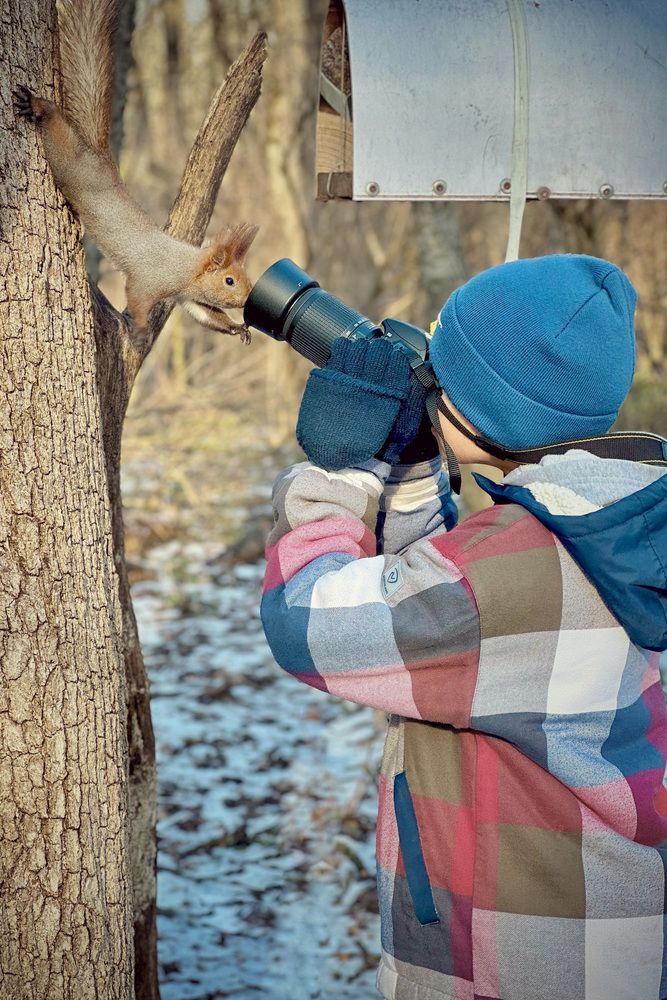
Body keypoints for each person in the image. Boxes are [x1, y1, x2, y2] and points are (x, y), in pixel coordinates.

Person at [260, 254, 667, 1000]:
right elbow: (436, 600)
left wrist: (343, 468)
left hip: (506, 959)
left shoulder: (504, 577)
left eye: (441, 369)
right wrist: (413, 466)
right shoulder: (612, 526)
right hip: (602, 935)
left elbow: (306, 623)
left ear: (484, 409)